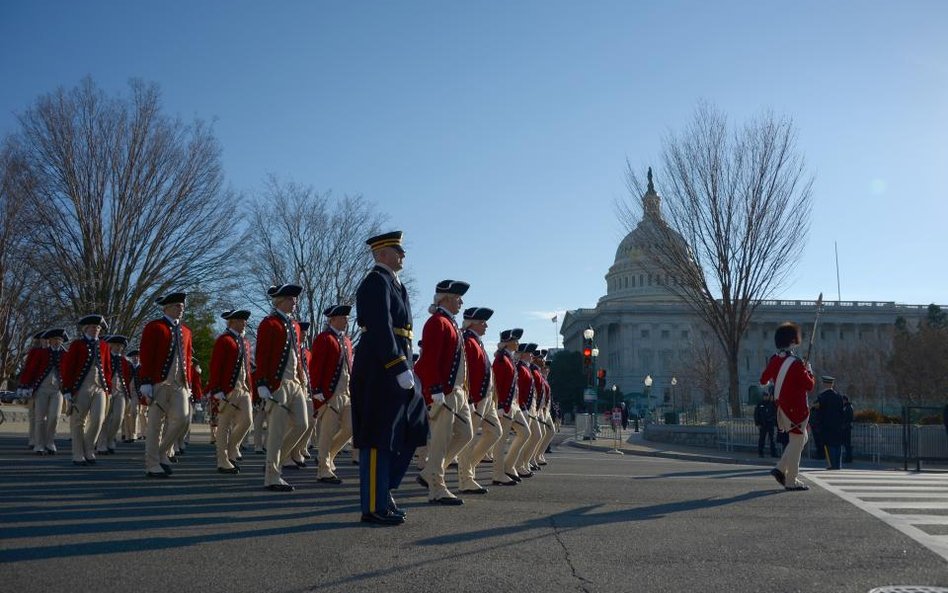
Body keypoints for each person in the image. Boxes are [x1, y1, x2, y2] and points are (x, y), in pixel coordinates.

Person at [350, 231, 428, 525]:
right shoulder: (375, 282)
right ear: (381, 254)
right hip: (379, 370)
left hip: (398, 365)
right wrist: (398, 366)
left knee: (414, 427)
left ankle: (385, 490)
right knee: (377, 439)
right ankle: (373, 506)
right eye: (397, 250)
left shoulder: (397, 285)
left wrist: (406, 366)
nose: (403, 254)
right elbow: (381, 328)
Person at [415, 279, 475, 505]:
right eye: (458, 297)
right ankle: (436, 488)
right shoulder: (436, 322)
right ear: (446, 299)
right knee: (440, 441)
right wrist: (435, 389)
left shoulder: (450, 323)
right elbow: (429, 359)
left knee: (466, 434)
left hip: (458, 392)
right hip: (445, 392)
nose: (461, 302)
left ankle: (429, 471)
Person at [254, 283, 310, 492]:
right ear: (279, 301)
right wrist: (261, 384)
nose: (294, 302)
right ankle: (272, 476)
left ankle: (274, 461)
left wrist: (300, 379)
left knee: (303, 425)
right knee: (276, 432)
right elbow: (262, 355)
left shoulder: (294, 325)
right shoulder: (269, 324)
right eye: (290, 299)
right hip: (277, 384)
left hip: (294, 383)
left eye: (294, 299)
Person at [140, 292, 194, 478]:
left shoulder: (186, 331)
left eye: (182, 306)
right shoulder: (154, 327)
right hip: (159, 382)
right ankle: (152, 464)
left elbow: (187, 358)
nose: (181, 308)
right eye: (177, 305)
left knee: (183, 419)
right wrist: (146, 382)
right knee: (155, 424)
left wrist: (190, 385)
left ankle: (161, 452)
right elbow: (146, 355)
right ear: (167, 308)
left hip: (180, 383)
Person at [760, 321, 814, 491]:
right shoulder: (797, 363)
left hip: (782, 408)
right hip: (797, 409)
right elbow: (809, 385)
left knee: (801, 438)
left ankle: (780, 468)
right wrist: (809, 371)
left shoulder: (775, 359)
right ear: (792, 341)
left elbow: (763, 379)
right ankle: (791, 479)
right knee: (797, 442)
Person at [457, 306, 501, 495]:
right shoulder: (467, 340)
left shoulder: (477, 342)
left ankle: (468, 469)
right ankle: (465, 478)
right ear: (472, 323)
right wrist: (472, 398)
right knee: (468, 439)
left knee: (496, 432)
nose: (486, 326)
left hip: (485, 398)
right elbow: (468, 372)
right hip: (476, 397)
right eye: (482, 322)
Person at [309, 305, 354, 485]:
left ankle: (327, 457)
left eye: (347, 318)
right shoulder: (324, 338)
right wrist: (317, 390)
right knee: (327, 433)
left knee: (351, 428)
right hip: (330, 394)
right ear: (333, 319)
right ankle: (323, 470)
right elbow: (316, 365)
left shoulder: (347, 341)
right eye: (343, 317)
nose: (347, 320)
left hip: (347, 393)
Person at [61, 315, 113, 466]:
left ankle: (88, 447)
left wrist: (108, 387)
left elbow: (108, 368)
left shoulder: (104, 345)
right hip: (81, 386)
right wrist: (67, 389)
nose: (96, 329)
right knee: (78, 421)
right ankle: (78, 453)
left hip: (100, 387)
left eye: (98, 327)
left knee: (98, 419)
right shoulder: (77, 344)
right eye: (93, 327)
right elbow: (68, 367)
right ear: (85, 328)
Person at [207, 309, 254, 474]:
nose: (245, 323)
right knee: (224, 425)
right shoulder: (224, 340)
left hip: (244, 389)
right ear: (233, 322)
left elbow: (247, 368)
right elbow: (216, 366)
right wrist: (217, 389)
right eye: (242, 320)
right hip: (228, 390)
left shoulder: (245, 341)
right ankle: (222, 460)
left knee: (247, 421)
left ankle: (231, 448)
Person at [19, 329, 67, 454]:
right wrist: (25, 385)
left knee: (55, 417)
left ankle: (50, 442)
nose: (57, 342)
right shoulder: (41, 353)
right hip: (41, 389)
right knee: (40, 418)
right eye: (55, 339)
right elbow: (31, 369)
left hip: (57, 390)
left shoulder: (65, 355)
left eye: (60, 339)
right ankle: (39, 444)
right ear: (49, 341)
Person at [492, 328, 529, 486]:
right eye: (515, 341)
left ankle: (508, 465)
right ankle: (498, 473)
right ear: (507, 342)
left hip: (514, 406)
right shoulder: (501, 359)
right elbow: (498, 384)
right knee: (501, 440)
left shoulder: (509, 359)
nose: (518, 343)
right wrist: (500, 405)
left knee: (525, 432)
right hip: (506, 405)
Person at [97, 335, 132, 455]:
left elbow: (128, 377)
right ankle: (102, 444)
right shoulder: (104, 357)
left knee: (118, 417)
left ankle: (110, 439)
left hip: (121, 391)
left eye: (121, 346)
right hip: (107, 391)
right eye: (117, 345)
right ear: (110, 345)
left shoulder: (124, 361)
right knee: (105, 418)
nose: (119, 347)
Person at [17, 331, 47, 451]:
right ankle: (33, 439)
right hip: (34, 386)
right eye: (43, 339)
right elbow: (29, 369)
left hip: (48, 387)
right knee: (34, 415)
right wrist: (26, 385)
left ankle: (41, 439)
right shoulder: (35, 352)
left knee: (44, 415)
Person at [815, 376, 845, 470]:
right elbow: (842, 412)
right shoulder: (839, 396)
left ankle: (832, 464)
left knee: (829, 445)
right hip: (838, 425)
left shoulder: (822, 396)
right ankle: (838, 464)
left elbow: (818, 411)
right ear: (832, 384)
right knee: (837, 444)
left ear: (824, 384)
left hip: (826, 425)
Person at [753, 391, 778, 458]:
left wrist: (774, 421)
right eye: (765, 396)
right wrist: (757, 423)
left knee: (772, 439)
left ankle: (773, 453)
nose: (766, 397)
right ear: (763, 396)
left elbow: (775, 413)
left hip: (770, 424)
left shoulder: (771, 404)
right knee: (762, 439)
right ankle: (760, 453)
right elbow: (756, 414)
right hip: (762, 424)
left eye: (767, 396)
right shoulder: (760, 404)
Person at [842, 395, 854, 463]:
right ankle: (848, 457)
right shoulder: (846, 407)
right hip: (846, 427)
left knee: (847, 444)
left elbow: (848, 417)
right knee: (846, 444)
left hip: (846, 427)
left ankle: (849, 458)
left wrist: (845, 424)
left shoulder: (848, 407)